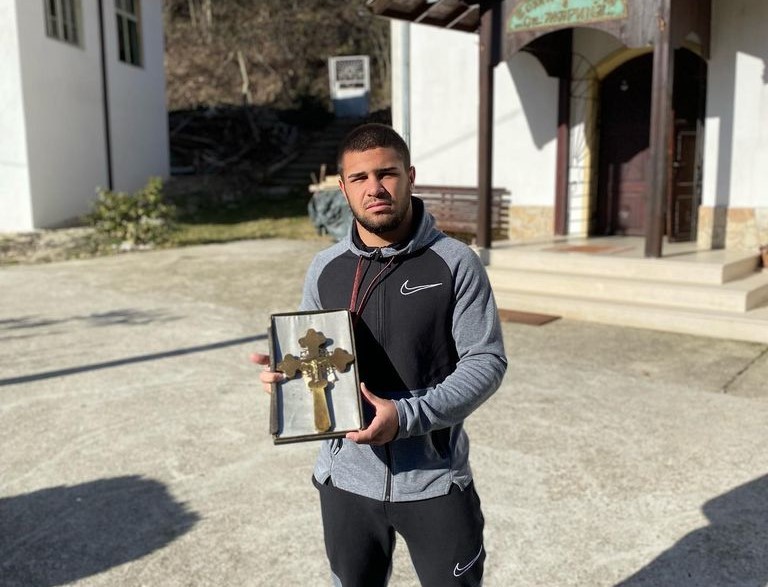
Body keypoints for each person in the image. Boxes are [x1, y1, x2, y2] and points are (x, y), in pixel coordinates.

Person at [251, 123, 507, 586]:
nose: (375, 188)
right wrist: (287, 377)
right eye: (359, 178)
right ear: (343, 188)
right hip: (346, 481)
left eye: (386, 173)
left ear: (410, 177)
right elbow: (316, 353)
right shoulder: (325, 268)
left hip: (434, 479)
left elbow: (485, 361)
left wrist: (406, 417)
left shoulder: (455, 262)